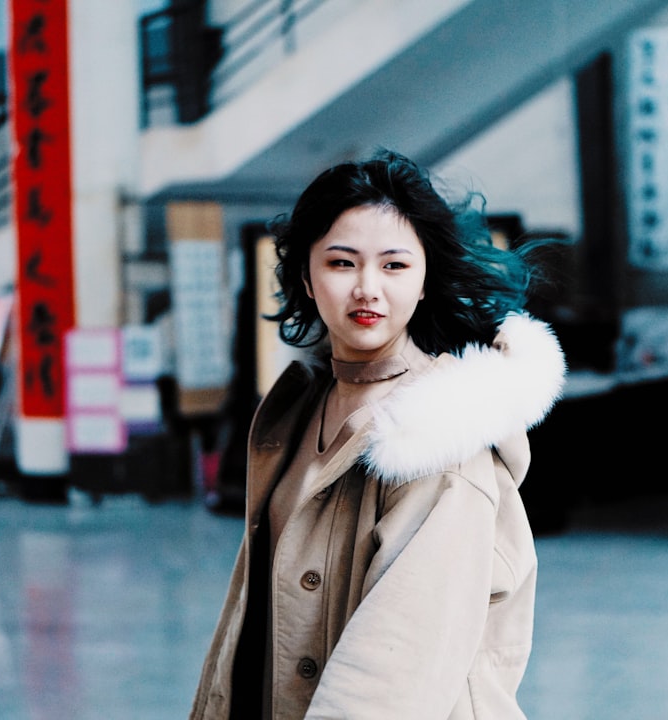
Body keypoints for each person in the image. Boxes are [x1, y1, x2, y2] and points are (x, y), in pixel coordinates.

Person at [189, 149, 566, 719]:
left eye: (394, 266)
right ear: (307, 279)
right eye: (342, 263)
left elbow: (395, 673)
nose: (368, 288)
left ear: (423, 282)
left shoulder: (438, 436)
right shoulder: (300, 409)